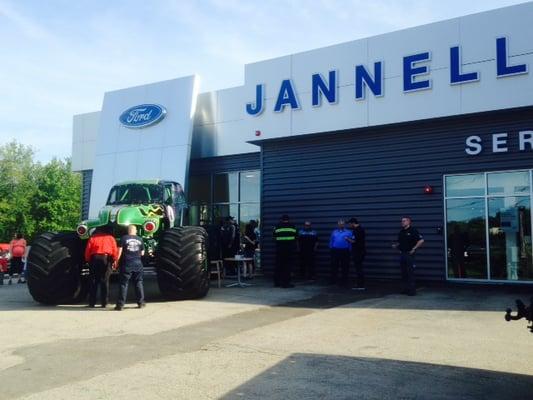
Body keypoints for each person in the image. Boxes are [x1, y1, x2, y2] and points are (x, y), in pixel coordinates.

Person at [84, 226, 118, 308]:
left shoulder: (93, 238)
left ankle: (92, 303)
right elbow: (114, 251)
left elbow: (88, 251)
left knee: (93, 281)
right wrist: (114, 261)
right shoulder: (111, 238)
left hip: (94, 259)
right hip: (106, 259)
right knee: (105, 281)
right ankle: (104, 302)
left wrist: (88, 260)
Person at [115, 225, 145, 310]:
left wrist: (116, 262)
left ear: (128, 231)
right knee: (138, 282)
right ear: (135, 231)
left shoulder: (123, 238)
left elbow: (119, 252)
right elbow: (142, 253)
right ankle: (141, 303)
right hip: (138, 264)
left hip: (126, 264)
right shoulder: (140, 239)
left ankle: (120, 305)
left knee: (123, 284)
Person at [393, 216, 424, 296]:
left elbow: (421, 240)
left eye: (404, 221)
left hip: (410, 254)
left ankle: (412, 291)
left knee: (410, 273)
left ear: (409, 222)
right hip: (402, 254)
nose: (402, 222)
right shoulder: (401, 232)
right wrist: (396, 246)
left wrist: (414, 248)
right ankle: (405, 289)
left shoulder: (413, 231)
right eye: (402, 221)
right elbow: (399, 243)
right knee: (404, 273)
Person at [273, 214, 297, 288]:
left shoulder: (277, 227)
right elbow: (296, 237)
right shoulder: (293, 226)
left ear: (282, 219)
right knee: (287, 266)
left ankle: (277, 282)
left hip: (279, 249)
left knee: (278, 265)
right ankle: (286, 283)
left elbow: (274, 237)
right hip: (289, 249)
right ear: (288, 219)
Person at [329, 220, 352, 287]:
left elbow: (351, 242)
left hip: (345, 251)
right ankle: (333, 280)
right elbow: (331, 240)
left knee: (345, 266)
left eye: (342, 224)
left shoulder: (349, 232)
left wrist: (350, 250)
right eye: (339, 224)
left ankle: (344, 281)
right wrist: (331, 248)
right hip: (335, 251)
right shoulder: (334, 232)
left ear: (344, 225)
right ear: (338, 225)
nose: (341, 225)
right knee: (334, 266)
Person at [347, 218, 366, 290]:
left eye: (350, 224)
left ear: (353, 223)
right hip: (360, 251)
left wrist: (347, 239)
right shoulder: (359, 229)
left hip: (358, 252)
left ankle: (360, 285)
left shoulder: (357, 230)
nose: (349, 225)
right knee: (359, 268)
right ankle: (360, 284)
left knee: (358, 268)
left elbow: (354, 241)